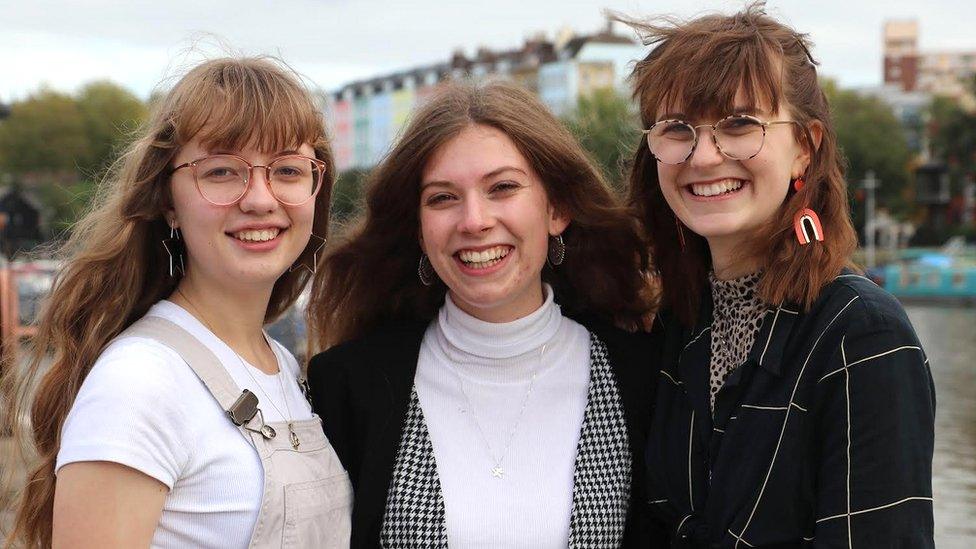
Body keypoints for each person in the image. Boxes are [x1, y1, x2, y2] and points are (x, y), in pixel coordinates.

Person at [623, 4, 936, 547]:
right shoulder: (678, 321)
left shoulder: (861, 336)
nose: (703, 156)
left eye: (740, 125)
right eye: (678, 130)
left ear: (805, 148)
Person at [5, 57, 351, 548]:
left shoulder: (282, 368)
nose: (260, 198)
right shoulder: (141, 381)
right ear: (168, 201)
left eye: (288, 170)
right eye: (222, 171)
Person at [305, 80, 665, 548]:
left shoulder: (646, 378)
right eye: (443, 197)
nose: (474, 220)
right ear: (418, 227)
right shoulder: (348, 386)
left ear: (557, 208)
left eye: (502, 188)